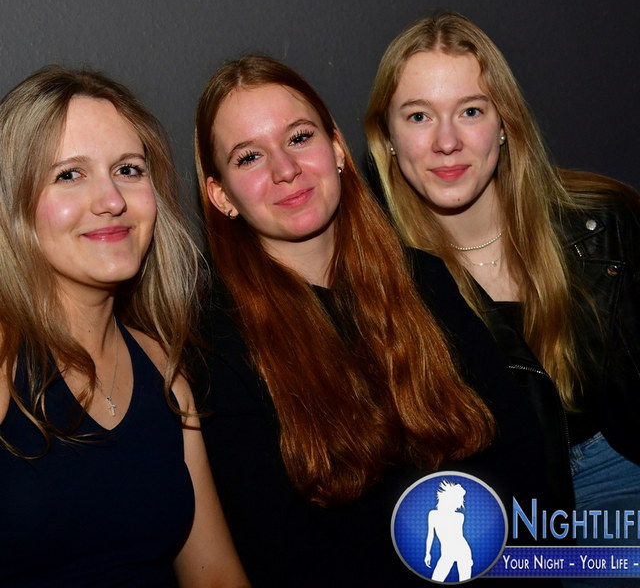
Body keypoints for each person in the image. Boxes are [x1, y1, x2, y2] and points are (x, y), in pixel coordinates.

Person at [193, 55, 557, 587]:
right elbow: (285, 556)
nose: (285, 169)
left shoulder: (425, 280)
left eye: (299, 137)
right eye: (249, 157)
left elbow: (520, 461)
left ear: (337, 148)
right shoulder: (217, 344)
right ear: (221, 195)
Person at [365, 10, 640, 578]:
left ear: (505, 123)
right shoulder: (379, 278)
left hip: (620, 475)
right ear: (387, 138)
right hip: (495, 509)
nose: (446, 142)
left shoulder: (602, 226)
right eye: (418, 116)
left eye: (471, 111)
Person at [0, 66, 250, 587]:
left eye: (129, 170)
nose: (112, 200)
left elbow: (215, 576)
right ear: (13, 204)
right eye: (69, 175)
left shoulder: (163, 366)